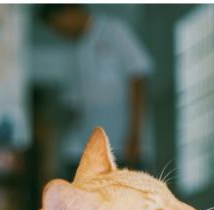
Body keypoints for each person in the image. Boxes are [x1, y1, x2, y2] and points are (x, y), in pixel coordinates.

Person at [40, 4, 153, 171]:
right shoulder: (73, 51)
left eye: (59, 25)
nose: (60, 33)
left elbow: (138, 76)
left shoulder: (114, 31)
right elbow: (73, 104)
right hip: (88, 147)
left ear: (69, 11)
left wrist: (135, 135)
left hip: (124, 142)